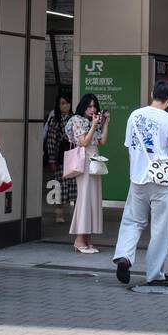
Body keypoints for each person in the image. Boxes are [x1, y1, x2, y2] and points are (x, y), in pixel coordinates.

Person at [112, 80, 168, 287]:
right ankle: (155, 275)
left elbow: (129, 145)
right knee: (161, 227)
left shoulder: (135, 116)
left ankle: (124, 257)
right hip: (161, 181)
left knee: (132, 221)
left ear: (152, 93)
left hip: (138, 178)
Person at [65, 93, 107, 254]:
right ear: (83, 106)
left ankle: (87, 239)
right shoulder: (77, 120)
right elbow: (83, 141)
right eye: (89, 106)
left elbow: (102, 141)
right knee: (84, 198)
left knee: (93, 199)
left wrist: (105, 123)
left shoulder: (91, 121)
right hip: (84, 161)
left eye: (94, 106)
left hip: (94, 161)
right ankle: (79, 240)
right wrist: (93, 125)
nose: (92, 109)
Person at [42, 93, 74, 223]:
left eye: (66, 102)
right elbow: (50, 141)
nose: (65, 105)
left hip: (73, 157)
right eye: (62, 103)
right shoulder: (54, 120)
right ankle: (59, 214)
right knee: (59, 187)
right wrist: (51, 159)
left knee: (74, 186)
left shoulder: (75, 118)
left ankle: (77, 216)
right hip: (60, 157)